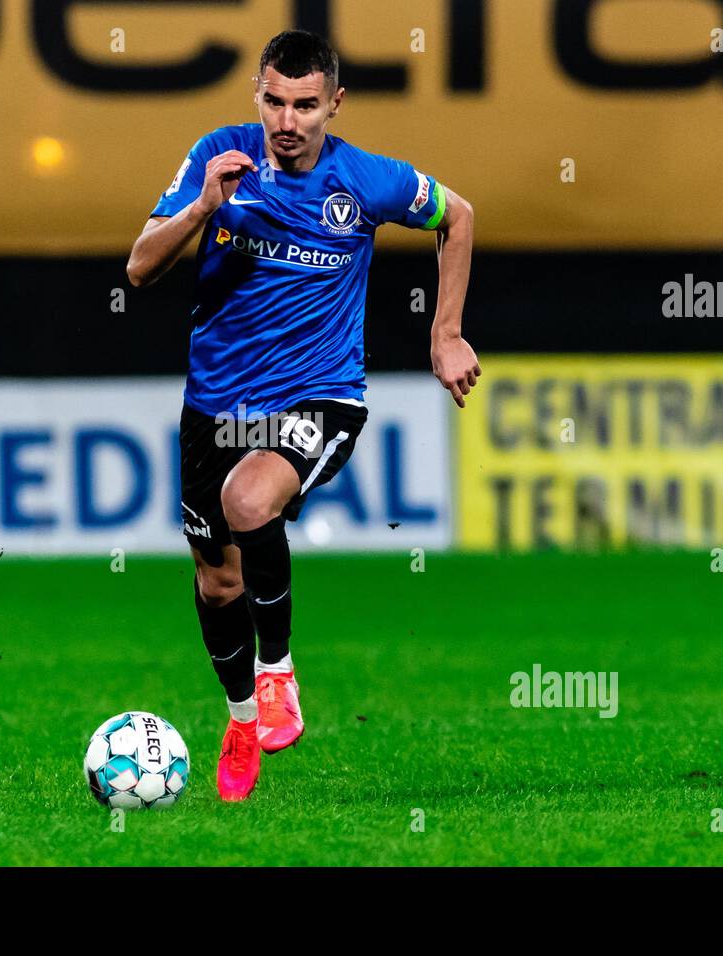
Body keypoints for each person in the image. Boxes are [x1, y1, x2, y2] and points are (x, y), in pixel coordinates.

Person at [126, 29, 479, 801]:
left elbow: (459, 217)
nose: (288, 121)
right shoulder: (219, 157)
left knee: (250, 500)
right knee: (218, 584)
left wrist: (445, 333)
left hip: (321, 396)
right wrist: (202, 210)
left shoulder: (368, 181)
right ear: (257, 95)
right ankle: (243, 716)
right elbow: (140, 266)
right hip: (213, 407)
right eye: (276, 102)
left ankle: (278, 673)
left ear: (335, 104)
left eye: (306, 106)